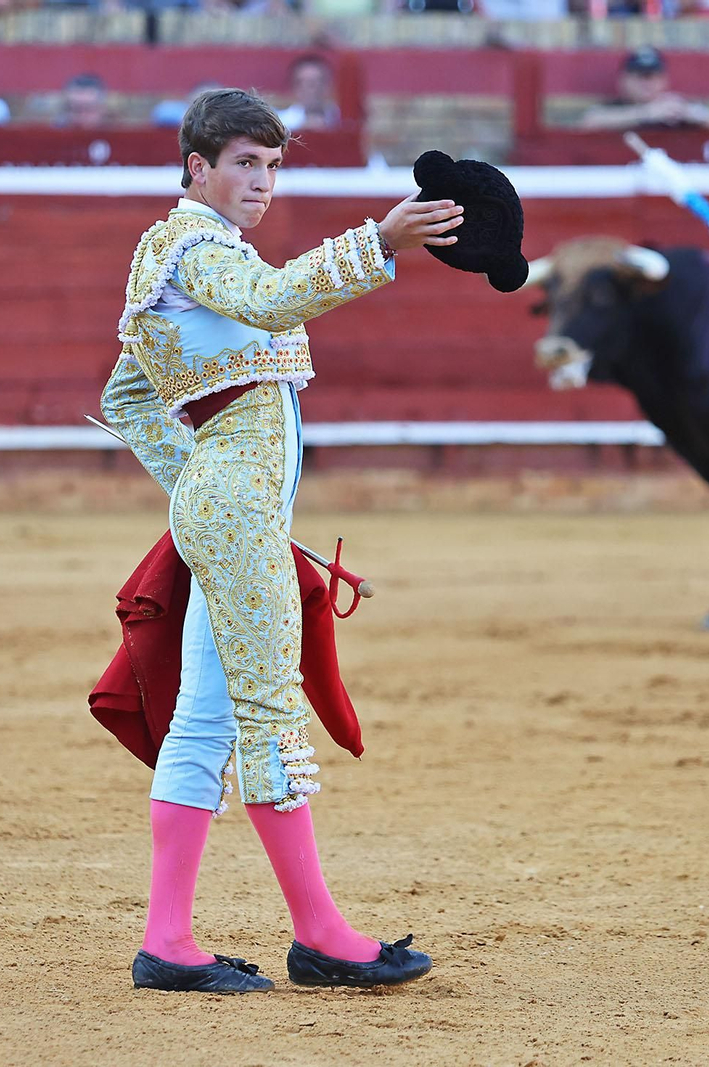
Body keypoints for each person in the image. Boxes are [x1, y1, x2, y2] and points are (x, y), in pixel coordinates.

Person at [101, 88, 462, 994]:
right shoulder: (195, 248)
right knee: (266, 714)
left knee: (210, 718)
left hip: (236, 508)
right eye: (245, 164)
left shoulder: (179, 253)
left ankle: (169, 940)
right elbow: (269, 300)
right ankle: (322, 935)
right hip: (234, 506)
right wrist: (379, 242)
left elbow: (128, 397)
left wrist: (208, 498)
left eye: (272, 165)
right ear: (199, 169)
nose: (263, 182)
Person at [576, 48, 709, 133]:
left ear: (664, 80)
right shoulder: (618, 107)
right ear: (624, 80)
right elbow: (589, 121)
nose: (646, 82)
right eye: (640, 76)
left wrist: (690, 112)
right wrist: (647, 113)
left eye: (652, 76)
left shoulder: (675, 108)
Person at [275, 54, 340, 132]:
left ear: (327, 85)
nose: (310, 90)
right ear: (293, 87)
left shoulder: (342, 119)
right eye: (301, 83)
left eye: (315, 83)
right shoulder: (279, 124)